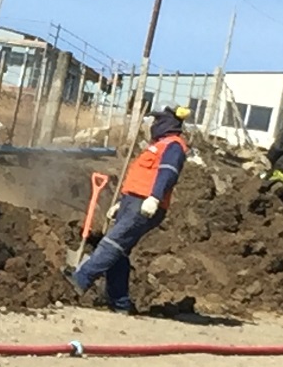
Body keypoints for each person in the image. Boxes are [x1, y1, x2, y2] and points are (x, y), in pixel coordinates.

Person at [65, 106, 190, 313]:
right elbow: (142, 178)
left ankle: (81, 279)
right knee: (119, 252)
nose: (153, 126)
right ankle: (120, 303)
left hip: (145, 204)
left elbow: (168, 173)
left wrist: (155, 198)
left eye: (157, 122)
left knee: (112, 243)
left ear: (167, 124)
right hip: (132, 202)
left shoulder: (173, 146)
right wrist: (122, 203)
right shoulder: (158, 146)